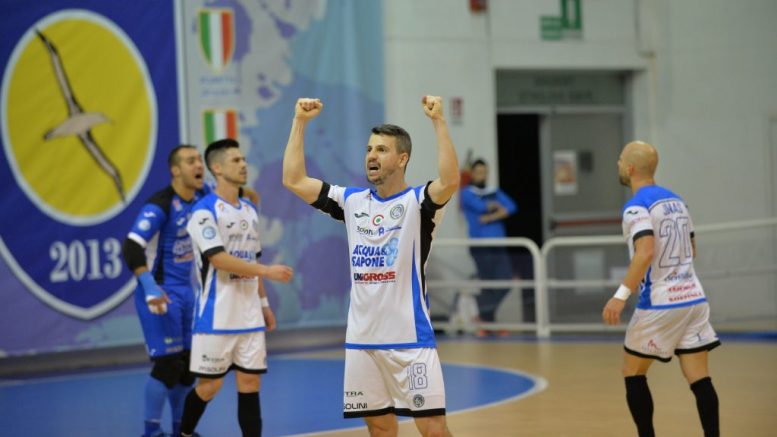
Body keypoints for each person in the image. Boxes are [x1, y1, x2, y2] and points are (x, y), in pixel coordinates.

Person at [282, 96, 459, 437]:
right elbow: (294, 179)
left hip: (410, 339)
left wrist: (438, 121)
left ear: (402, 158)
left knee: (433, 429)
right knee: (379, 428)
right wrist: (299, 122)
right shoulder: (351, 202)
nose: (371, 156)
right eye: (368, 149)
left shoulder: (419, 203)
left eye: (381, 149)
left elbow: (450, 180)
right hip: (362, 341)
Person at [123, 145, 259, 437]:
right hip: (159, 293)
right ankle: (151, 431)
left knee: (186, 369)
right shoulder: (159, 206)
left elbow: (244, 195)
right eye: (190, 161)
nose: (198, 165)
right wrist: (149, 288)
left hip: (188, 293)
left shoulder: (203, 195)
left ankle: (178, 430)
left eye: (199, 160)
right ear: (175, 171)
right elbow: (131, 247)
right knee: (167, 366)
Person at [602, 141, 720, 437]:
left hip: (660, 301)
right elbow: (692, 249)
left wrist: (620, 296)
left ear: (630, 168)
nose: (617, 164)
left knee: (632, 372)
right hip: (694, 298)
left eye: (620, 159)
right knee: (699, 378)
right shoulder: (678, 201)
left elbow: (645, 252)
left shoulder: (636, 206)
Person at [178, 139, 293, 437]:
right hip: (216, 317)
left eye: (243, 159)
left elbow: (252, 260)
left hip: (249, 316)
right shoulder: (203, 212)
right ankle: (184, 433)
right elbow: (219, 259)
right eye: (235, 160)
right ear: (217, 168)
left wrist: (264, 305)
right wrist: (267, 271)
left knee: (250, 384)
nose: (243, 165)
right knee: (209, 386)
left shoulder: (250, 210)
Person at [459, 158, 518, 334]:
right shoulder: (466, 192)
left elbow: (512, 207)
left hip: (498, 243)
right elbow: (482, 207)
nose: (482, 175)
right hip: (481, 245)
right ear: (472, 174)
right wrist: (496, 208)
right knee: (488, 284)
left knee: (506, 281)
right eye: (478, 172)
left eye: (485, 172)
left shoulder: (493, 190)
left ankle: (482, 312)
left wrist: (492, 216)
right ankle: (488, 322)